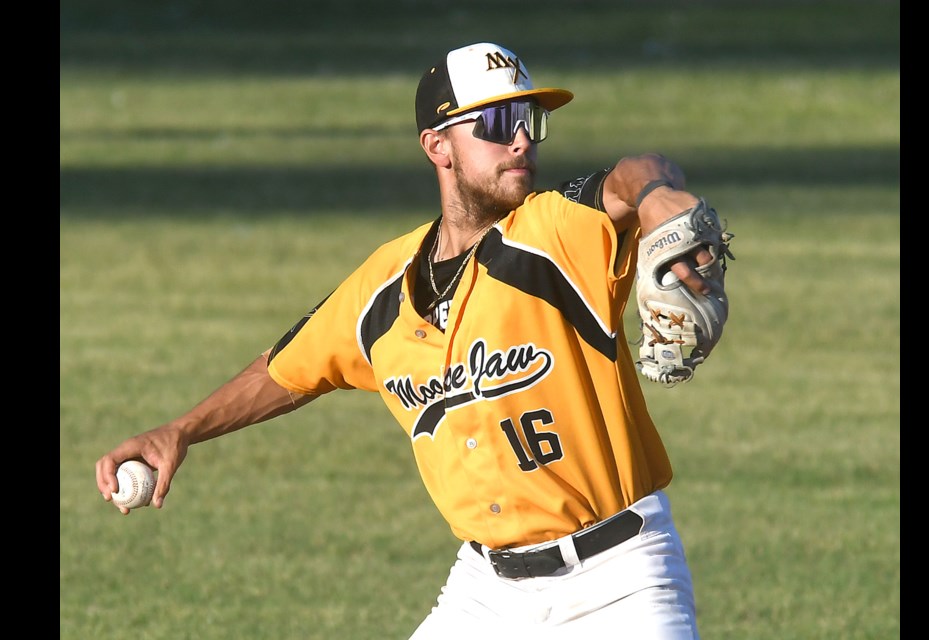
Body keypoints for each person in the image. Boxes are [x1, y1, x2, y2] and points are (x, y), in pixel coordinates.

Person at [96, 42, 714, 639]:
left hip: (620, 580)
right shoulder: (382, 289)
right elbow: (285, 370)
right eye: (498, 122)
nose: (522, 139)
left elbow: (637, 173)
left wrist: (659, 195)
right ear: (437, 145)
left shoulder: (555, 233)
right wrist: (181, 430)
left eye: (528, 120)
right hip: (488, 593)